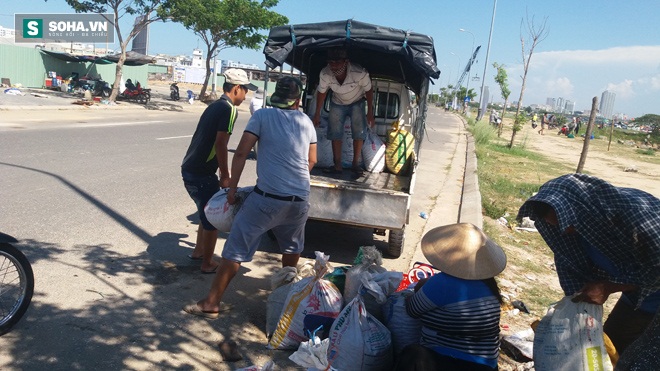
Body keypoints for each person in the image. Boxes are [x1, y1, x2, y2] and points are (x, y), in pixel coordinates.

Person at [183, 76, 317, 318]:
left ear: (277, 96)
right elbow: (312, 160)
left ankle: (211, 302)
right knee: (291, 247)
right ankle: (286, 300)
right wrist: (295, 181)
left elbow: (242, 152)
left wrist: (232, 190)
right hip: (300, 200)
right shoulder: (306, 122)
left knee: (235, 248)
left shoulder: (262, 116)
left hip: (267, 199)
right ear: (297, 100)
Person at [517, 174, 660, 356]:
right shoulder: (570, 231)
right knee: (611, 350)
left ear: (580, 210)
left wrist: (608, 287)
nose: (565, 231)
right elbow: (571, 270)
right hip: (637, 296)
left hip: (654, 291)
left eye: (567, 224)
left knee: (644, 357)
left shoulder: (635, 216)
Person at [394, 223, 507, 371]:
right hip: (488, 366)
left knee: (412, 355)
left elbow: (412, 309)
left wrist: (417, 289)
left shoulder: (443, 282)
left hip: (454, 363)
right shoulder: (489, 284)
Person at [181, 68, 257, 273]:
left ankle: (198, 251)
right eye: (245, 91)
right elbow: (221, 143)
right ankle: (207, 263)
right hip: (201, 172)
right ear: (237, 88)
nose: (246, 95)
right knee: (212, 219)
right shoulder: (229, 109)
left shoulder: (215, 105)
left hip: (190, 167)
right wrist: (225, 175)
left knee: (205, 211)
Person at [312, 47, 375, 178]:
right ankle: (337, 165)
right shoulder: (325, 73)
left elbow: (369, 90)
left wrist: (370, 112)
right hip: (337, 102)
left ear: (346, 62)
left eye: (337, 62)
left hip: (357, 101)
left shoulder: (359, 72)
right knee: (334, 133)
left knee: (359, 132)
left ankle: (355, 164)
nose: (333, 65)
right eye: (331, 62)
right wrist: (317, 113)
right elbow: (322, 93)